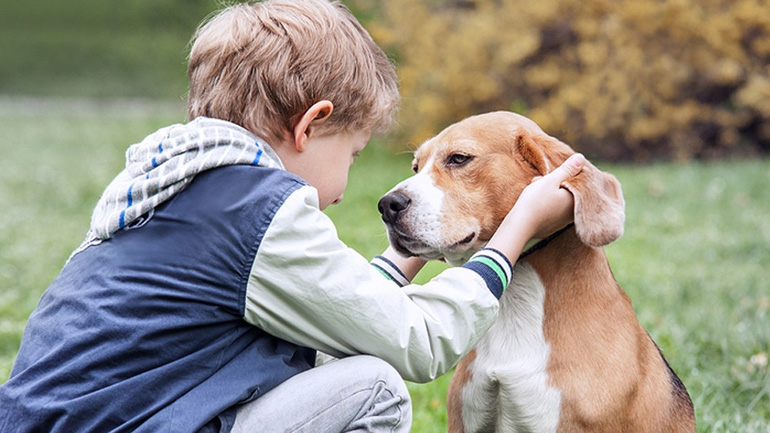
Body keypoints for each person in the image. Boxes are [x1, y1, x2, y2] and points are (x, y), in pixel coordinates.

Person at [0, 0, 585, 432]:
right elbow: (420, 342)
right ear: (309, 126)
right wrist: (514, 233)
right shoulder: (257, 211)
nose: (350, 181)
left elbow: (335, 321)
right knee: (375, 388)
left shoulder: (169, 188)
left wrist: (407, 254)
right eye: (352, 153)